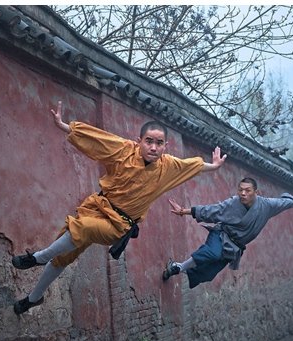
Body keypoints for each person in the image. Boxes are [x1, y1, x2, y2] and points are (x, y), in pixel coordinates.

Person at [12, 101, 227, 315]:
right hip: (98, 207)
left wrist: (214, 166)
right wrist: (65, 126)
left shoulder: (169, 166)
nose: (153, 147)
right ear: (139, 141)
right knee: (63, 256)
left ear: (165, 146)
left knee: (83, 228)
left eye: (159, 143)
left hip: (120, 224)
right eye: (149, 141)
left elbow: (194, 165)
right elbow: (97, 140)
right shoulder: (124, 150)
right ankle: (33, 299)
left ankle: (37, 258)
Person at [163, 178, 293, 288]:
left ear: (256, 192)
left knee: (208, 273)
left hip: (235, 247)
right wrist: (184, 211)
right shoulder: (232, 203)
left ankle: (177, 268)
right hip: (221, 235)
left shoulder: (267, 205)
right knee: (213, 253)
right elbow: (211, 210)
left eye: (247, 190)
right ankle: (180, 266)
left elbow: (284, 203)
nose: (243, 193)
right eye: (240, 190)